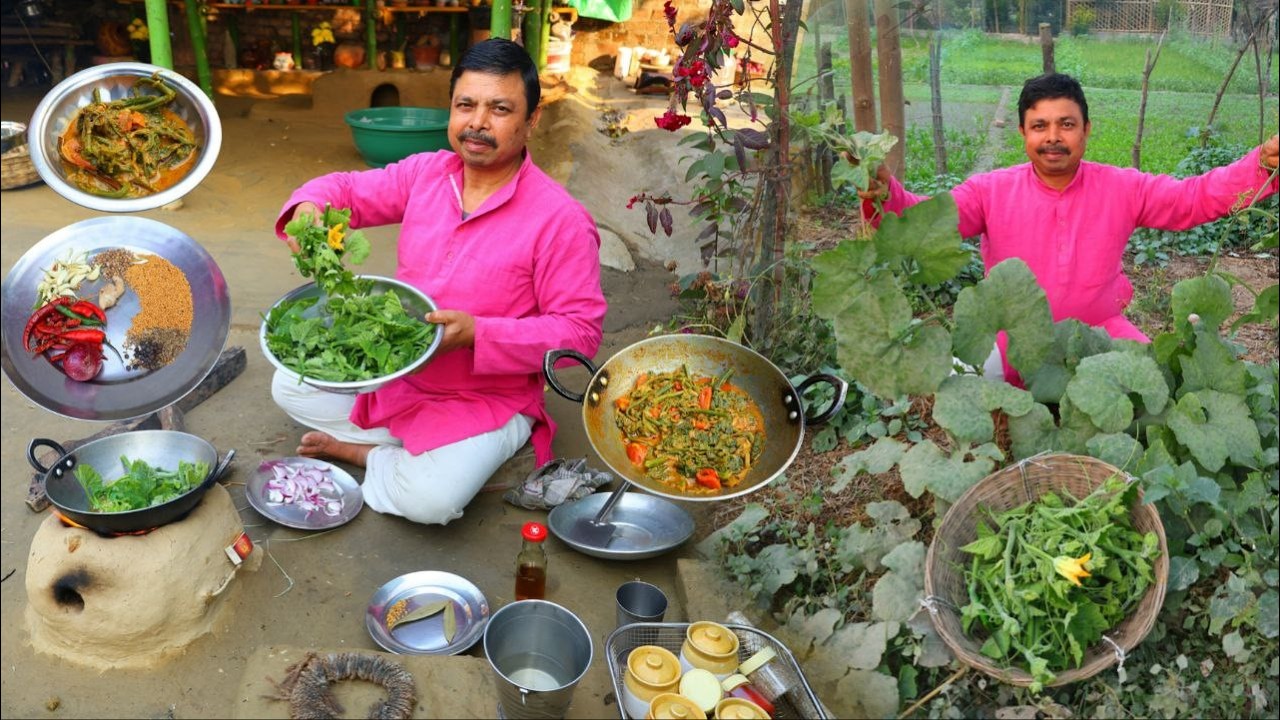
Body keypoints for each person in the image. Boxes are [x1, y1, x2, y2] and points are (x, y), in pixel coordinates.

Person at [270, 39, 607, 525]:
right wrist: (309, 208)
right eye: (465, 105)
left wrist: (478, 334)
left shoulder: (561, 220)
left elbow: (580, 333)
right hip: (400, 371)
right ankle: (423, 453)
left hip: (485, 397)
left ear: (531, 120)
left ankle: (371, 454)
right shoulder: (426, 174)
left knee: (432, 502)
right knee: (290, 386)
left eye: (500, 109)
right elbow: (345, 190)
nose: (477, 123)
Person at [862, 73, 1278, 382]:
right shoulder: (990, 191)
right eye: (1039, 126)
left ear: (1086, 130)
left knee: (1157, 385)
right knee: (958, 388)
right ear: (1023, 132)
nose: (1053, 137)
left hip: (1102, 334)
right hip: (1012, 340)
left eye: (1066, 124)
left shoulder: (1122, 187)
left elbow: (1192, 198)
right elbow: (927, 222)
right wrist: (885, 194)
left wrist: (1260, 164)